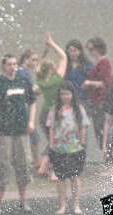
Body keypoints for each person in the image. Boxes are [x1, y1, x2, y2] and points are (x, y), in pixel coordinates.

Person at [0, 54, 36, 213]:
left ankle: (23, 200)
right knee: (2, 165)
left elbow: (32, 102)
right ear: (3, 66)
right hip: (3, 131)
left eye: (14, 64)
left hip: (21, 130)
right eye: (9, 64)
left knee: (23, 164)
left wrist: (31, 122)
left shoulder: (23, 80)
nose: (12, 67)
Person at [46, 81, 89, 215]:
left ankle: (76, 204)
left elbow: (83, 126)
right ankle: (62, 205)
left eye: (68, 94)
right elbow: (51, 128)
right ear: (59, 95)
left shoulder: (78, 109)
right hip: (59, 149)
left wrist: (82, 142)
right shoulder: (55, 109)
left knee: (75, 177)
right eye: (63, 94)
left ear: (72, 94)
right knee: (60, 178)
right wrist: (51, 144)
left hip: (75, 148)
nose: (65, 96)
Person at [35, 32, 68, 181]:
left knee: (51, 141)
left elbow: (40, 64)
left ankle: (43, 166)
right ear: (51, 69)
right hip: (55, 114)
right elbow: (64, 57)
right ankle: (54, 171)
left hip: (44, 113)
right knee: (56, 142)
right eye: (53, 66)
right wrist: (52, 43)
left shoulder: (40, 80)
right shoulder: (56, 79)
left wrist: (46, 49)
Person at [82, 36, 112, 176]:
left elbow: (105, 83)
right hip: (95, 104)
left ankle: (111, 165)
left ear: (98, 49)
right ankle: (110, 164)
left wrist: (89, 83)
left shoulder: (104, 63)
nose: (89, 51)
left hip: (101, 104)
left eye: (91, 49)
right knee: (100, 134)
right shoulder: (98, 62)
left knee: (103, 134)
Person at [17, 49, 41, 169]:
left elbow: (32, 93)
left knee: (32, 137)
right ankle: (35, 162)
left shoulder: (24, 73)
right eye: (33, 60)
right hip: (23, 108)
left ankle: (34, 162)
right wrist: (43, 80)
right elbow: (32, 91)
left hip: (24, 107)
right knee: (33, 136)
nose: (35, 63)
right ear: (26, 59)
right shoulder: (21, 73)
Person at [64, 39, 93, 108]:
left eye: (75, 51)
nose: (72, 53)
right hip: (66, 100)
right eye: (70, 51)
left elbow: (93, 81)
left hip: (82, 100)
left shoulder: (87, 66)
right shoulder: (64, 65)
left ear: (80, 52)